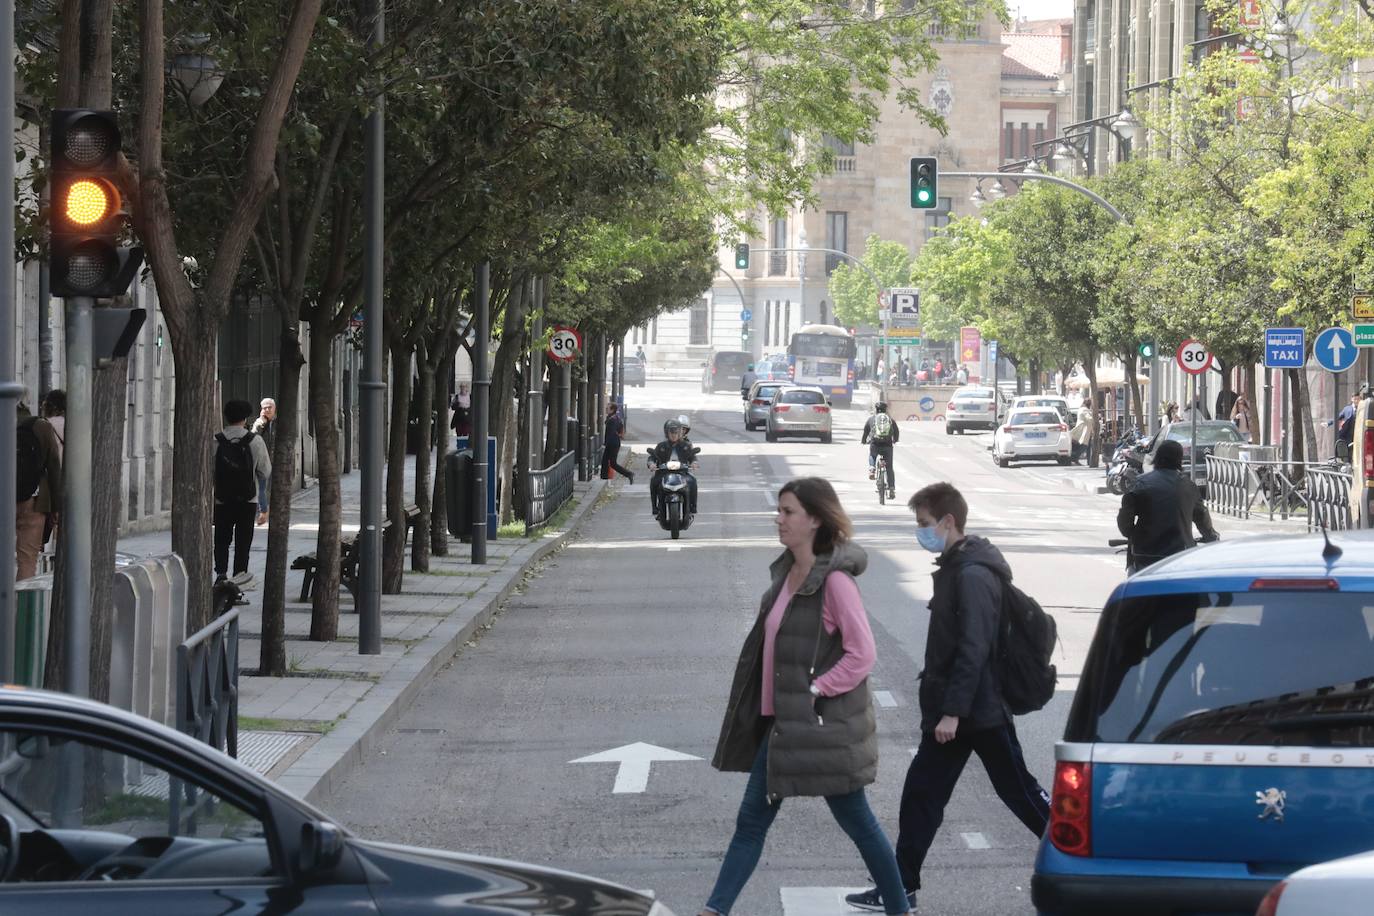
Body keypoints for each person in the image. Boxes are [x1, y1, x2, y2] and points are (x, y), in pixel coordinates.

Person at [704, 477, 911, 916]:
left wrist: (817, 689)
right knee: (751, 824)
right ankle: (713, 910)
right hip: (781, 726)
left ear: (815, 519)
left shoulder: (834, 582)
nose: (778, 519)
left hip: (819, 728)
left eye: (788, 512)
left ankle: (899, 909)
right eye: (779, 511)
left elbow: (862, 653)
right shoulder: (786, 573)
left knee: (858, 821)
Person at [848, 482, 1049, 912]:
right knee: (922, 795)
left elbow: (974, 648)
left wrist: (953, 713)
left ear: (948, 521)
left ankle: (1083, 863)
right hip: (961, 710)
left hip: (976, 712)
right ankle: (901, 886)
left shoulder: (973, 574)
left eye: (923, 523)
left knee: (1021, 795)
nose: (920, 531)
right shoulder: (960, 568)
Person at [1116, 439, 1218, 572]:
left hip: (1145, 555)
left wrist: (1133, 535)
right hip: (1180, 554)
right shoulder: (1188, 485)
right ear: (1179, 460)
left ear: (1157, 458)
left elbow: (1125, 520)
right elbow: (1202, 517)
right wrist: (1211, 536)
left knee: (1136, 587)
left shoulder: (1140, 483)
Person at [214, 399, 271, 588]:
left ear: (226, 416)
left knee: (221, 539)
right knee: (243, 542)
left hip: (222, 499)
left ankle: (221, 575)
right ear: (246, 418)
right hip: (248, 500)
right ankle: (239, 581)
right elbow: (265, 472)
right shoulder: (255, 441)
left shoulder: (216, 441)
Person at [15, 397, 62, 580]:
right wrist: (57, 508)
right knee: (27, 560)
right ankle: (21, 606)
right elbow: (54, 469)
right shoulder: (41, 427)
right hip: (33, 502)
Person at [648, 418, 697, 516]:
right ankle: (655, 507)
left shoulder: (685, 445)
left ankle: (692, 506)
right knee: (653, 481)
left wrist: (694, 463)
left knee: (692, 481)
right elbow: (652, 457)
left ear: (680, 433)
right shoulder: (661, 446)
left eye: (676, 432)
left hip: (682, 473)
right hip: (663, 473)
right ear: (667, 433)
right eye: (671, 433)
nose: (674, 435)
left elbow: (692, 457)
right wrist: (651, 464)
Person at [862, 401, 899, 498]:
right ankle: (891, 489)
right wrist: (895, 440)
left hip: (875, 444)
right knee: (889, 468)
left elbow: (866, 431)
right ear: (885, 410)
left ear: (876, 409)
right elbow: (896, 432)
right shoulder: (890, 420)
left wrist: (863, 440)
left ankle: (872, 468)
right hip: (887, 446)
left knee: (872, 455)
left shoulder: (871, 419)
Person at [599, 402, 634, 483]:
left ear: (612, 410)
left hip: (612, 443)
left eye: (607, 408)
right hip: (614, 443)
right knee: (605, 461)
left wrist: (606, 444)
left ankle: (629, 474)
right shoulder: (616, 418)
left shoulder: (612, 420)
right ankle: (603, 478)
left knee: (612, 463)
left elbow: (610, 433)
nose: (606, 409)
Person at [1071, 397, 1094, 464]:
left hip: (1086, 430)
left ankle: (1088, 461)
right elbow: (1089, 419)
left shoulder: (1082, 409)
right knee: (1084, 446)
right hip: (1084, 430)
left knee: (1088, 446)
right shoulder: (1084, 410)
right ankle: (1075, 458)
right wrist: (1095, 418)